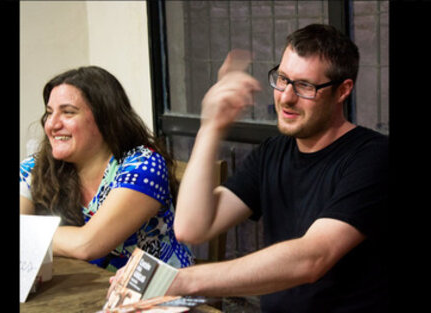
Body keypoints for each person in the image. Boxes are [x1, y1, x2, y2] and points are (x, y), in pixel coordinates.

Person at [168, 24, 388, 312]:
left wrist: (188, 280)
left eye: (305, 86)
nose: (285, 96)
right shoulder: (272, 152)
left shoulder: (374, 157)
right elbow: (191, 228)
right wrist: (211, 126)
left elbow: (313, 258)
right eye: (282, 79)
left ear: (342, 90)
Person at [20, 66, 193, 272]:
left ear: (105, 118)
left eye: (68, 112)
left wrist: (28, 234)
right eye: (49, 113)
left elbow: (87, 245)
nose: (52, 124)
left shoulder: (143, 165)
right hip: (83, 292)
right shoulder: (36, 167)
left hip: (156, 295)